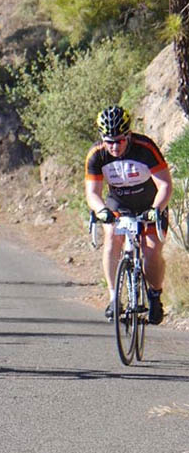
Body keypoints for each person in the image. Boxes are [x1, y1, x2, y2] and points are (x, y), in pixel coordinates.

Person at [85, 105, 172, 325]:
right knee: (112, 239)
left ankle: (155, 295)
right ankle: (114, 298)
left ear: (129, 136)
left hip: (149, 202)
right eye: (109, 141)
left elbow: (164, 184)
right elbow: (92, 193)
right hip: (119, 203)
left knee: (151, 252)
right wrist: (102, 210)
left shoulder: (145, 148)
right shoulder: (97, 155)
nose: (114, 146)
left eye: (120, 140)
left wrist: (156, 209)